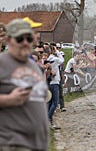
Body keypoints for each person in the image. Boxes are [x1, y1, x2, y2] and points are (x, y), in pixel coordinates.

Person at [0, 18, 49, 150]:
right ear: (9, 40)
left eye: (29, 39)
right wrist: (8, 100)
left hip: (37, 144)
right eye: (20, 39)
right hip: (12, 143)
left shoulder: (32, 65)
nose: (25, 43)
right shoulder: (2, 63)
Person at [47, 44, 64, 129]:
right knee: (55, 102)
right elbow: (62, 60)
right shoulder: (54, 58)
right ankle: (48, 118)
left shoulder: (48, 59)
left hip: (50, 82)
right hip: (54, 82)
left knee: (50, 102)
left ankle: (49, 120)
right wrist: (57, 51)